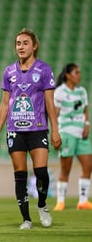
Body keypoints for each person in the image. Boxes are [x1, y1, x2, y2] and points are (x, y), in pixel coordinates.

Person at [0, 28, 62, 230]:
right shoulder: (9, 72)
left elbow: (50, 103)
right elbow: (5, 103)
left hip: (38, 128)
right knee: (20, 174)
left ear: (34, 46)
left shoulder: (44, 70)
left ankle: (42, 205)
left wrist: (55, 130)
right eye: (18, 44)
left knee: (41, 171)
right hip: (15, 130)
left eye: (25, 43)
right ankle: (26, 219)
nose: (21, 47)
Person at [53, 63, 92, 211]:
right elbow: (55, 114)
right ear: (68, 75)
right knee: (66, 169)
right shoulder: (60, 92)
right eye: (76, 72)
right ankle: (60, 201)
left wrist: (87, 124)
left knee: (88, 166)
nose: (79, 75)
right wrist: (55, 132)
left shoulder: (82, 91)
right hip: (67, 133)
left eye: (80, 72)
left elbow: (85, 110)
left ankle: (83, 201)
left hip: (82, 134)